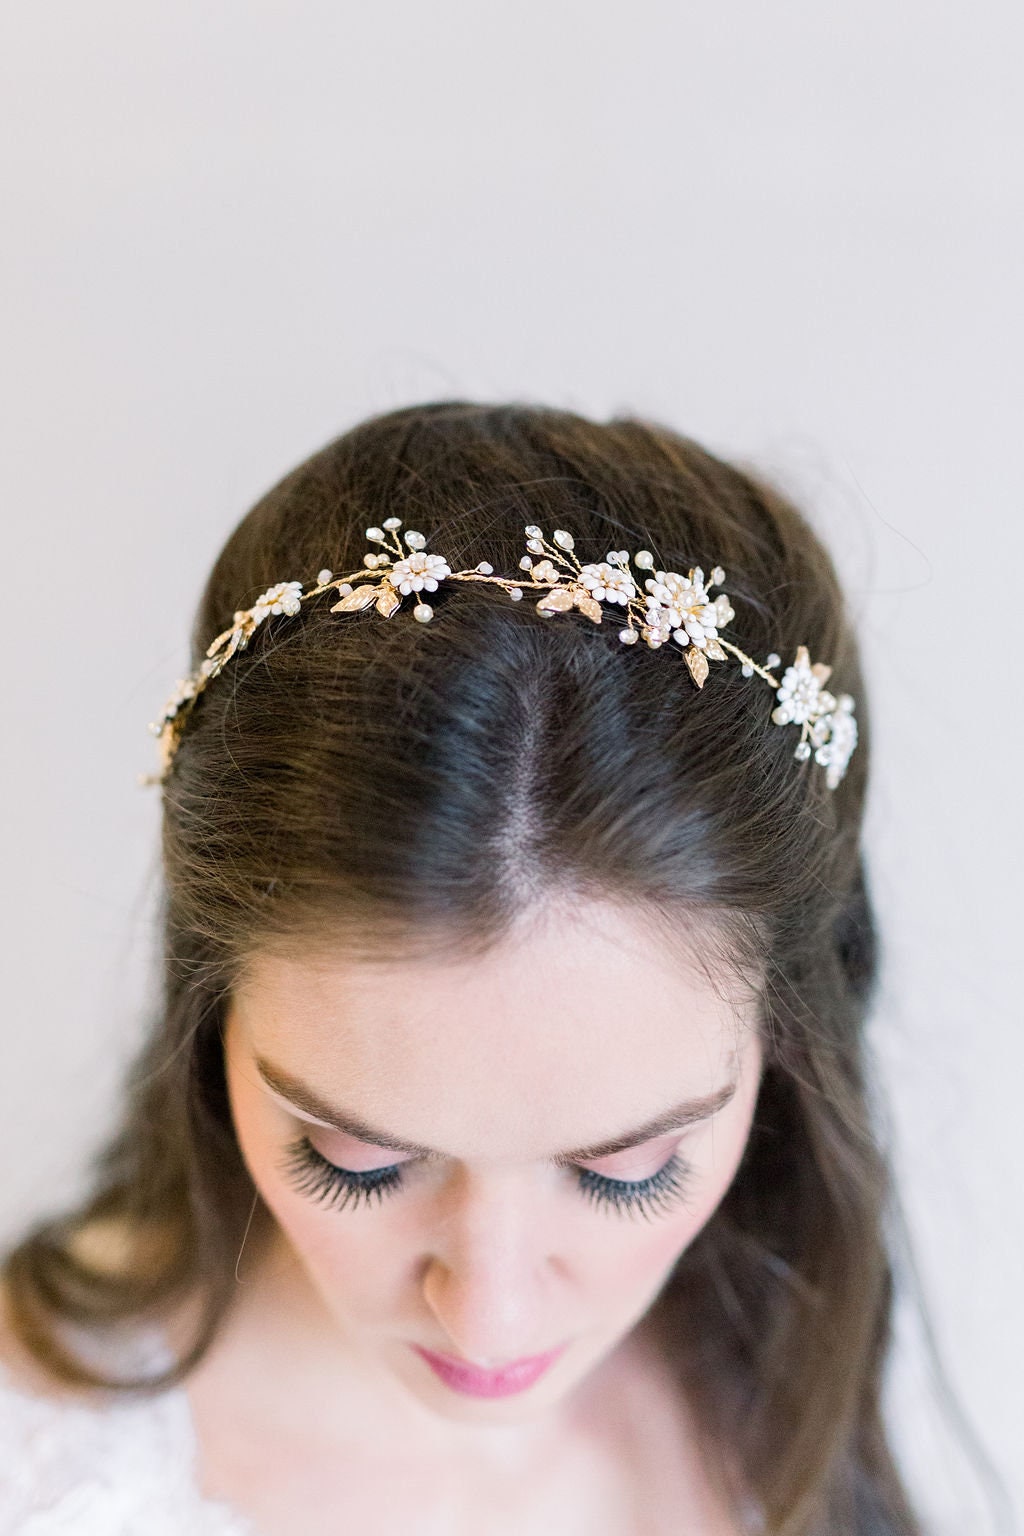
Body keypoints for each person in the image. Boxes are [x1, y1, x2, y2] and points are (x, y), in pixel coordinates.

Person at [0, 401, 920, 1534]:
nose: (486, 1318)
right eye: (357, 1160)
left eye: (630, 1171)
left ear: (790, 1043)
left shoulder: (775, 1391)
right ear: (212, 1014)